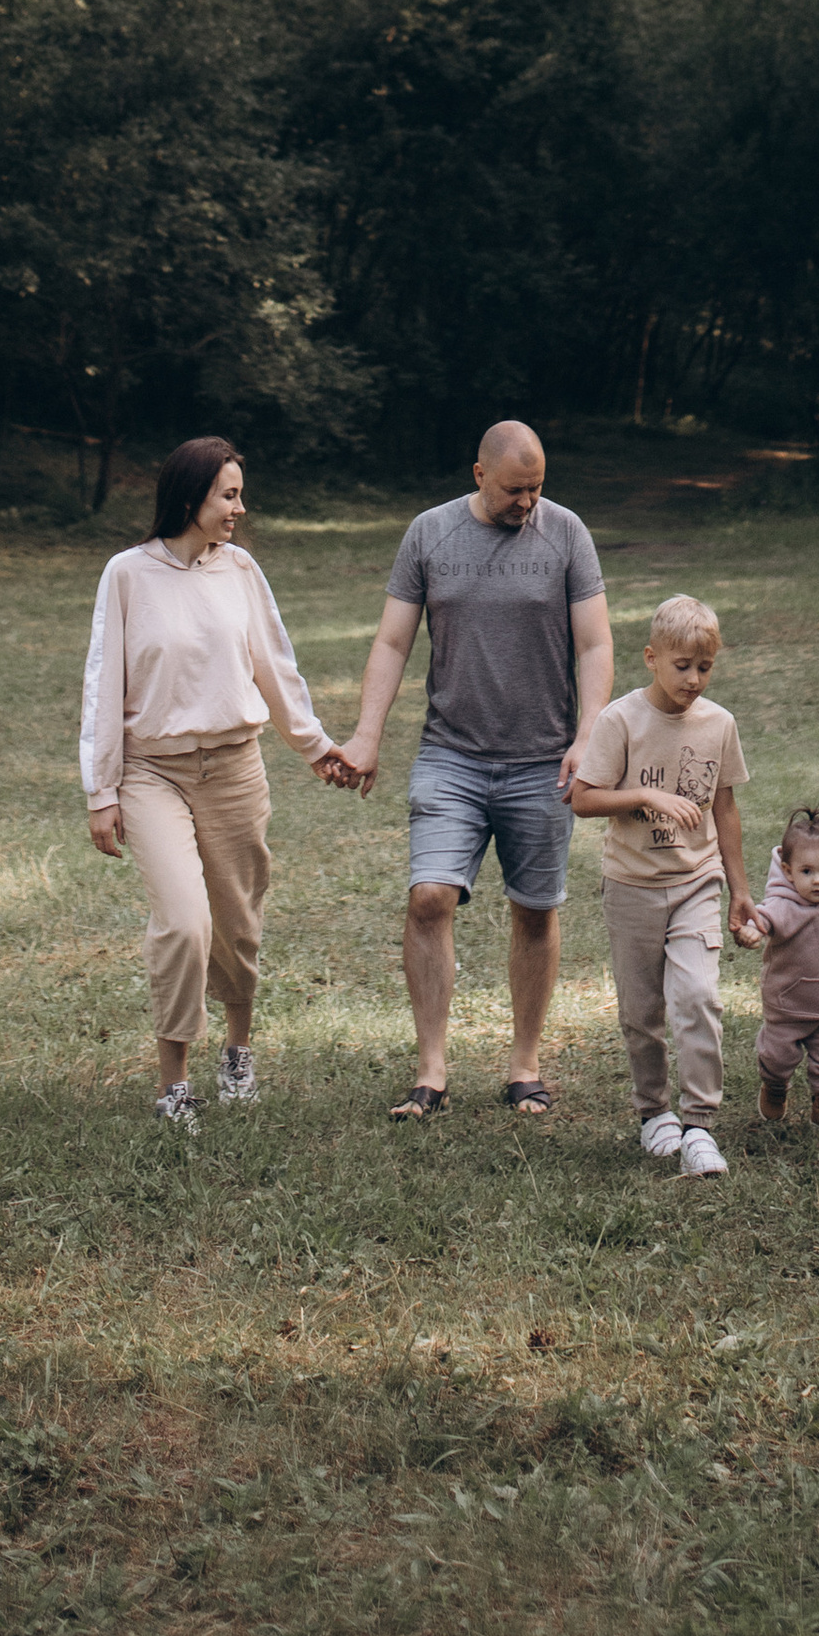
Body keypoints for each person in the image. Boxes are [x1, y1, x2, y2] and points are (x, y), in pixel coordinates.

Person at [328, 420, 612, 1121]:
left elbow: (597, 641)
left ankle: (524, 1064)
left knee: (536, 910)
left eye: (537, 488)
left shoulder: (567, 533)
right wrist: (366, 735)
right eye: (516, 489)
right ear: (480, 474)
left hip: (541, 758)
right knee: (429, 896)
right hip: (450, 753)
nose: (528, 503)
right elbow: (393, 641)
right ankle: (430, 1070)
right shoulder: (430, 533)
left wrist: (590, 737)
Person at [78, 434, 357, 1128]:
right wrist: (101, 790)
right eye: (227, 495)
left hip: (235, 766)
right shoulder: (127, 575)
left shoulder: (239, 571)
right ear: (190, 496)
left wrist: (315, 746)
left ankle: (237, 1050)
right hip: (152, 772)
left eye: (238, 494)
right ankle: (174, 1082)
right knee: (183, 923)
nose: (238, 507)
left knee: (235, 926)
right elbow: (101, 682)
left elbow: (275, 666)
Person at [569, 593, 754, 1179]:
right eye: (682, 666)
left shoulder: (719, 724)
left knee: (698, 997)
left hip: (697, 883)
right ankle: (654, 1113)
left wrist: (740, 890)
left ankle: (699, 1124)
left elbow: (725, 807)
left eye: (705, 668)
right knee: (642, 1011)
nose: (694, 680)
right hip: (631, 887)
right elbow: (583, 799)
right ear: (651, 658)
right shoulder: (620, 720)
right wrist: (647, 794)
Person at [735, 802, 819, 1135]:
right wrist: (752, 929)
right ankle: (775, 1085)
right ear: (787, 870)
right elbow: (764, 917)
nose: (818, 881)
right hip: (786, 1006)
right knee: (778, 1056)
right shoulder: (783, 905)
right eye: (807, 872)